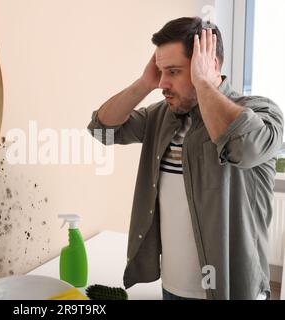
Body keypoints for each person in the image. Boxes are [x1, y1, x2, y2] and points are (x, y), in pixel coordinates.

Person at [88, 17, 283, 300]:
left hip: (233, 290)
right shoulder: (161, 116)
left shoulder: (261, 112)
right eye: (160, 71)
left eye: (175, 71)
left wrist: (203, 83)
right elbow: (102, 131)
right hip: (172, 289)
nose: (163, 83)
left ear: (209, 64)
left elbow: (244, 148)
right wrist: (145, 82)